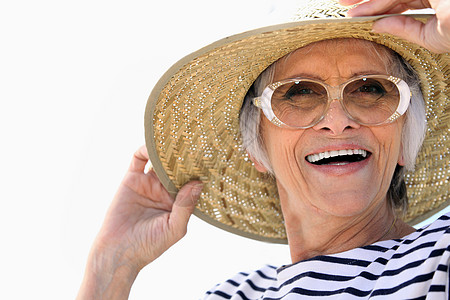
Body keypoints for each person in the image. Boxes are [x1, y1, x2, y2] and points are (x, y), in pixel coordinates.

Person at [77, 0, 450, 299]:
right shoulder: (235, 295)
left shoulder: (441, 256)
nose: (338, 121)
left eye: (370, 89)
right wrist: (111, 266)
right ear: (255, 147)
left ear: (405, 136)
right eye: (300, 92)